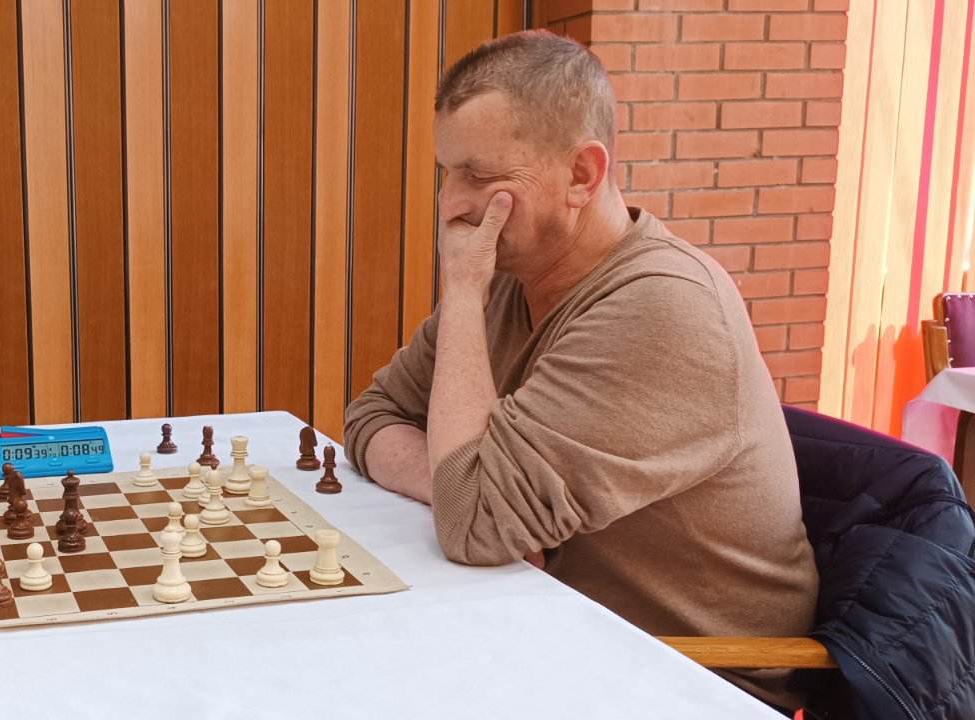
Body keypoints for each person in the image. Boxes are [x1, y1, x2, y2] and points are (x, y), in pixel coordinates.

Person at [341, 30, 818, 710]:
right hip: (544, 625)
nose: (451, 204)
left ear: (582, 175)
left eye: (481, 175)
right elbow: (373, 415)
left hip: (685, 678)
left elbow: (474, 527)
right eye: (447, 172)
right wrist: (447, 482)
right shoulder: (512, 278)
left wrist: (464, 294)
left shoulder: (662, 308)